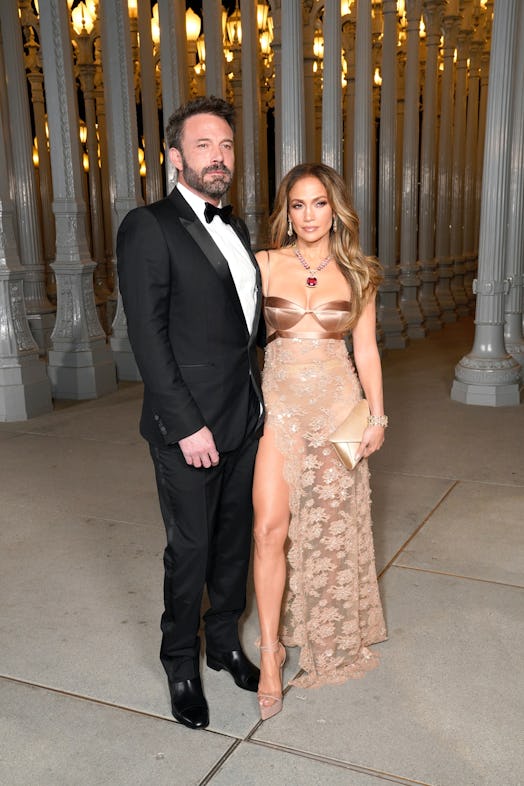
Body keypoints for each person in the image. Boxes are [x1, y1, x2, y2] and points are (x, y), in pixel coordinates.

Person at [117, 96, 264, 730]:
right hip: (189, 429)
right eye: (204, 146)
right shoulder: (147, 227)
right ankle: (180, 660)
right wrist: (185, 425)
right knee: (192, 548)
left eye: (227, 146)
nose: (219, 157)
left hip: (244, 417)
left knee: (234, 543)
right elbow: (147, 338)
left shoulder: (237, 228)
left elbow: (242, 330)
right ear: (175, 157)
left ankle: (225, 641)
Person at [252, 163, 387, 720]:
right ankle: (270, 650)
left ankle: (328, 629)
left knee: (332, 528)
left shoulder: (359, 273)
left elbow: (368, 350)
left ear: (336, 209)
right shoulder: (261, 264)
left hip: (339, 411)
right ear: (287, 210)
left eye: (320, 204)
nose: (309, 216)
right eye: (299, 204)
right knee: (267, 528)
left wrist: (377, 418)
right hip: (279, 410)